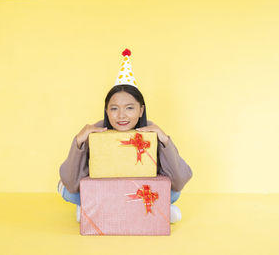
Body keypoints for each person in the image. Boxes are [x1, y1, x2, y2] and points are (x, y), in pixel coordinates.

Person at [57, 49, 193, 223]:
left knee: (174, 192)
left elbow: (179, 181)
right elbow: (71, 183)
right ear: (107, 110)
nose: (121, 116)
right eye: (114, 108)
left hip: (138, 192)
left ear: (141, 110)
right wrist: (78, 142)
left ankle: (92, 209)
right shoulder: (96, 131)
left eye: (129, 108)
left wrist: (165, 141)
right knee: (65, 189)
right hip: (105, 190)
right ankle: (158, 210)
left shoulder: (151, 132)